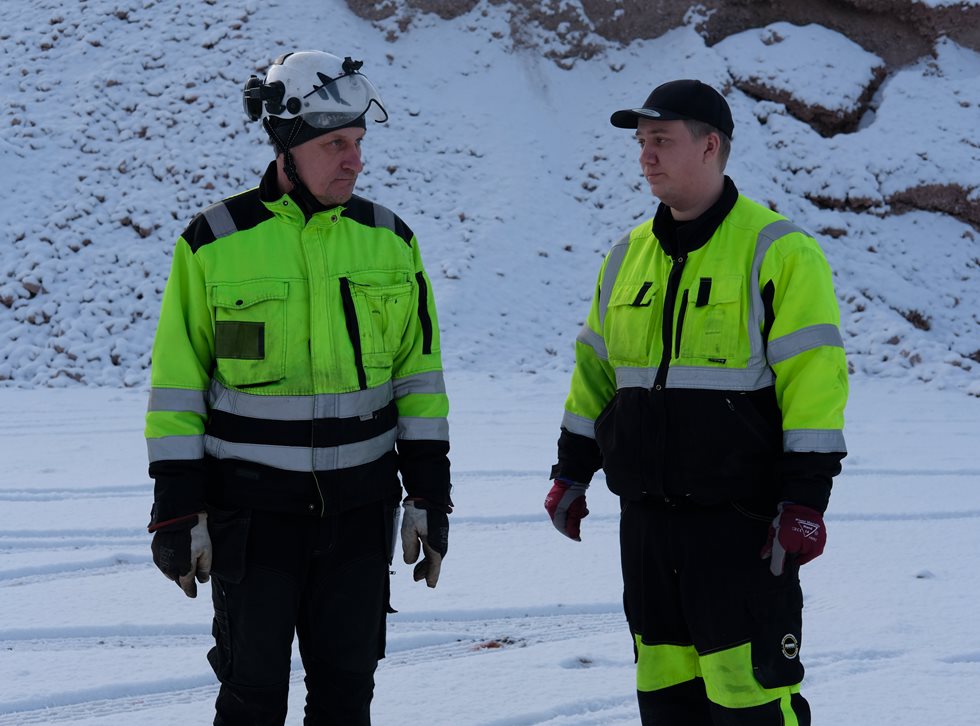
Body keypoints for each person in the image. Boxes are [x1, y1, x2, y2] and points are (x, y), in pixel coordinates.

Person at [144, 50, 452, 726]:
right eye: (336, 143)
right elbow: (177, 388)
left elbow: (419, 382)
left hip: (359, 521)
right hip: (252, 525)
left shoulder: (390, 242)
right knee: (251, 699)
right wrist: (175, 508)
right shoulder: (212, 243)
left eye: (359, 142)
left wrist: (430, 494)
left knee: (346, 699)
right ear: (286, 147)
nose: (355, 159)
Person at [545, 79, 847, 725]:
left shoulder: (780, 250)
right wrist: (571, 470)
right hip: (648, 530)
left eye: (661, 140)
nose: (645, 156)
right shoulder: (626, 255)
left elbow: (814, 386)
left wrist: (805, 502)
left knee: (752, 702)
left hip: (739, 530)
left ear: (710, 147)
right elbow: (596, 373)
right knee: (666, 703)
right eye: (641, 142)